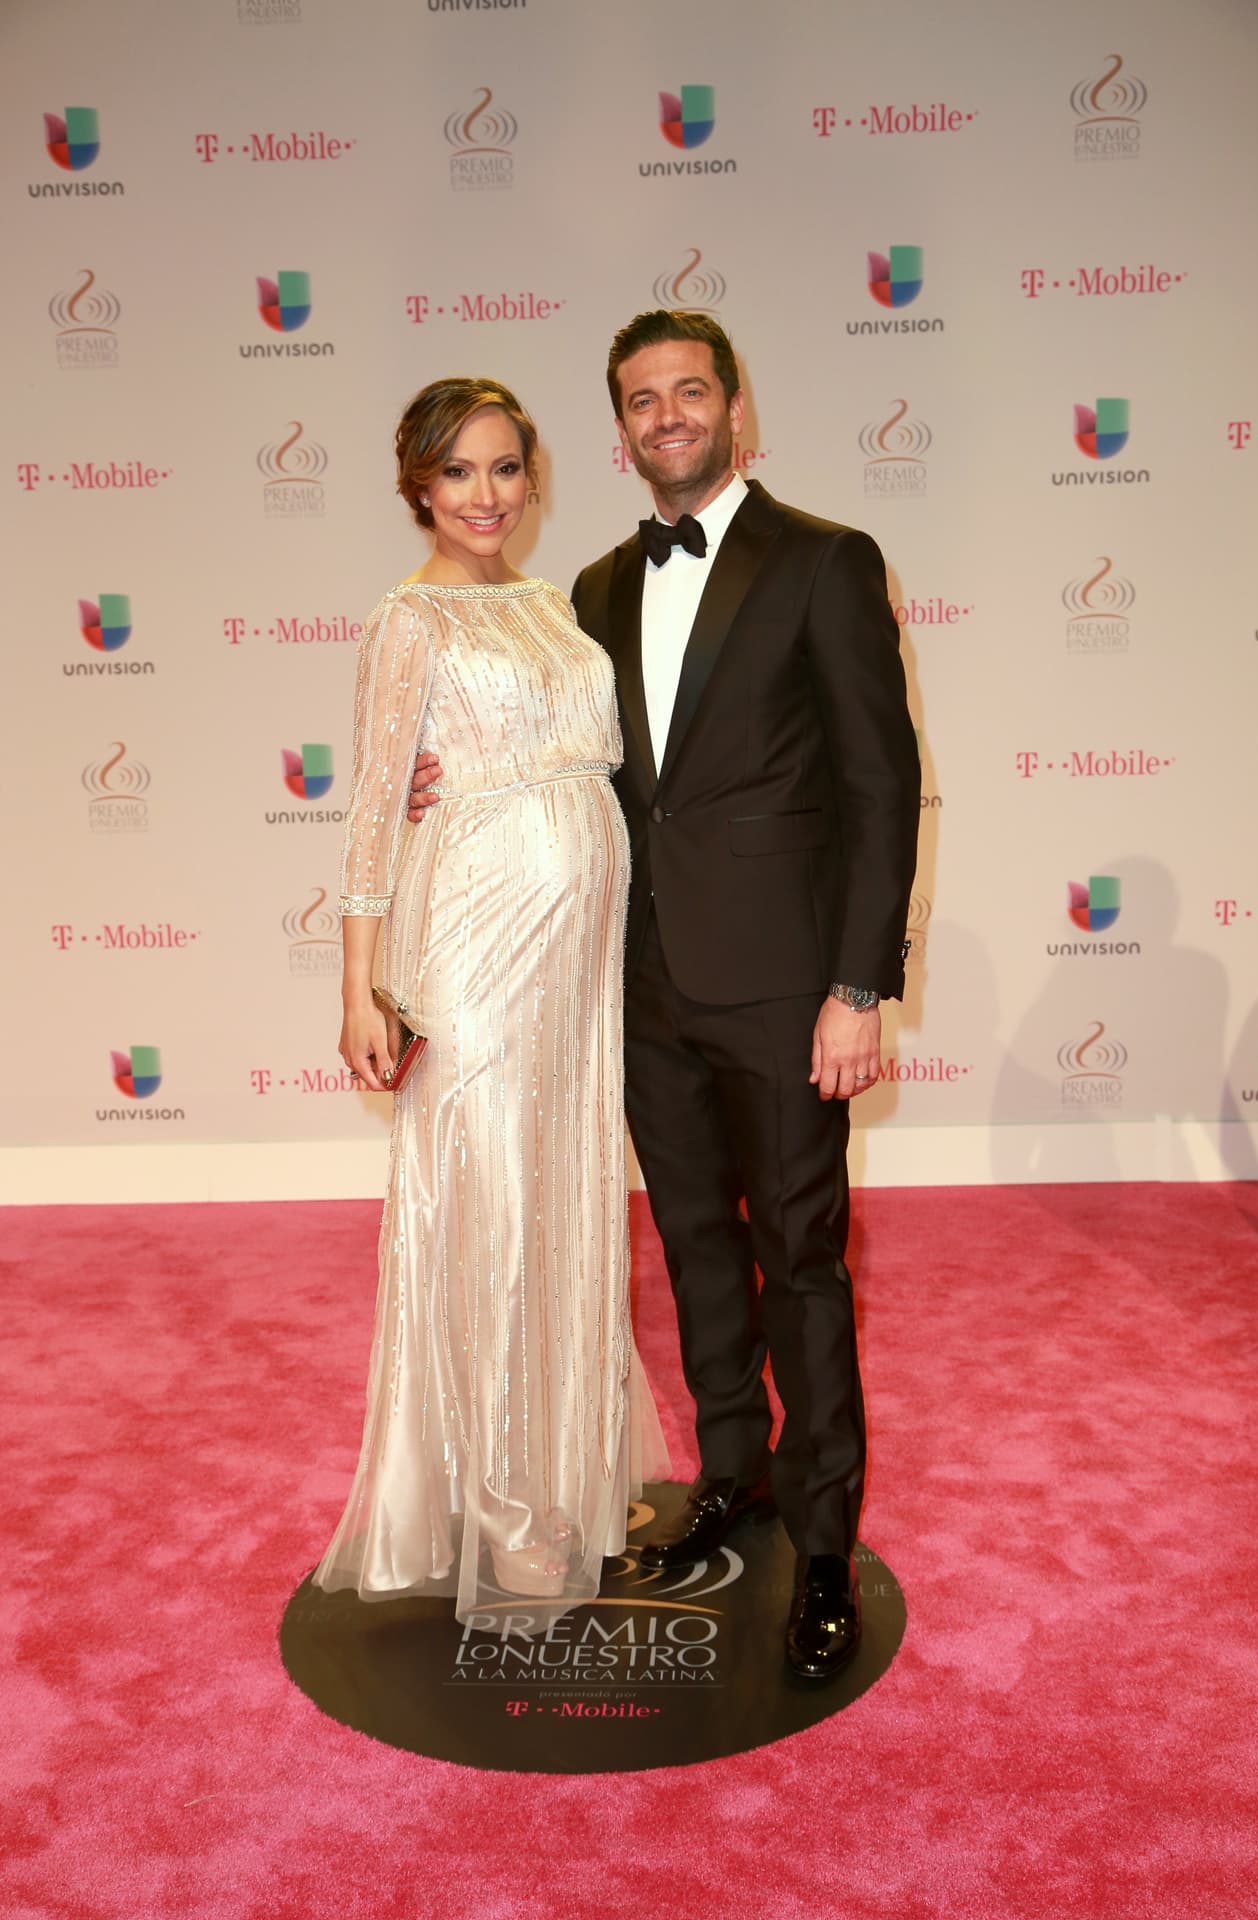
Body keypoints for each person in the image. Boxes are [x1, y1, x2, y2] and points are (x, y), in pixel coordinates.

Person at [411, 314, 920, 1678]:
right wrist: (438, 785)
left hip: (783, 991)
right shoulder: (590, 588)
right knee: (695, 1246)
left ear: (735, 410)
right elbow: (551, 758)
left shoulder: (823, 560)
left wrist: (860, 986)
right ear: (621, 429)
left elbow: (879, 788)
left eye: (690, 392)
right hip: (639, 989)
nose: (668, 417)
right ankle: (734, 1474)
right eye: (642, 400)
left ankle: (823, 1545)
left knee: (801, 1265)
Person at [313, 375, 667, 1623]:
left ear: (534, 476)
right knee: (492, 1204)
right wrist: (359, 987)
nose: (484, 495)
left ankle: (566, 1459)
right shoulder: (405, 622)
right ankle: (502, 1498)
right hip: (473, 940)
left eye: (505, 468)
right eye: (457, 472)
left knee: (563, 1187)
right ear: (416, 483)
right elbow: (369, 809)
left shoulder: (548, 604)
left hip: (576, 955)